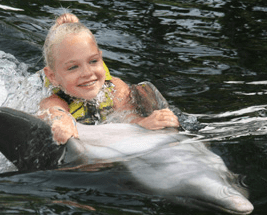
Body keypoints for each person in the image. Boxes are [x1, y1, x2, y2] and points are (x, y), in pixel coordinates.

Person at [38, 13, 179, 144]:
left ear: (100, 58)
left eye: (93, 61)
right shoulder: (55, 100)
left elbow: (129, 116)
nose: (87, 73)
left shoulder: (115, 88)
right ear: (53, 76)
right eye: (73, 67)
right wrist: (62, 121)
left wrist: (146, 123)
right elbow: (54, 113)